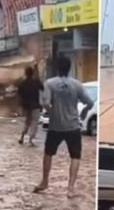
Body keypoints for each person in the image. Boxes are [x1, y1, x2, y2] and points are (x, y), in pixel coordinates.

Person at [34, 57, 93, 198]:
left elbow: (44, 103)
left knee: (48, 153)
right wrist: (84, 111)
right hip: (73, 126)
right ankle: (70, 188)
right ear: (69, 68)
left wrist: (52, 111)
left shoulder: (49, 83)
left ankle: (45, 181)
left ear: (56, 68)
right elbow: (90, 102)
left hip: (55, 126)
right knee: (75, 156)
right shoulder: (77, 85)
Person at [17, 66, 44, 146]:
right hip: (35, 106)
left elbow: (19, 96)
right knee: (34, 123)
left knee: (27, 122)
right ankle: (30, 140)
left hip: (26, 107)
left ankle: (21, 137)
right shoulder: (37, 82)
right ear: (33, 73)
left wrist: (20, 106)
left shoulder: (22, 83)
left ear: (25, 73)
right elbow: (43, 91)